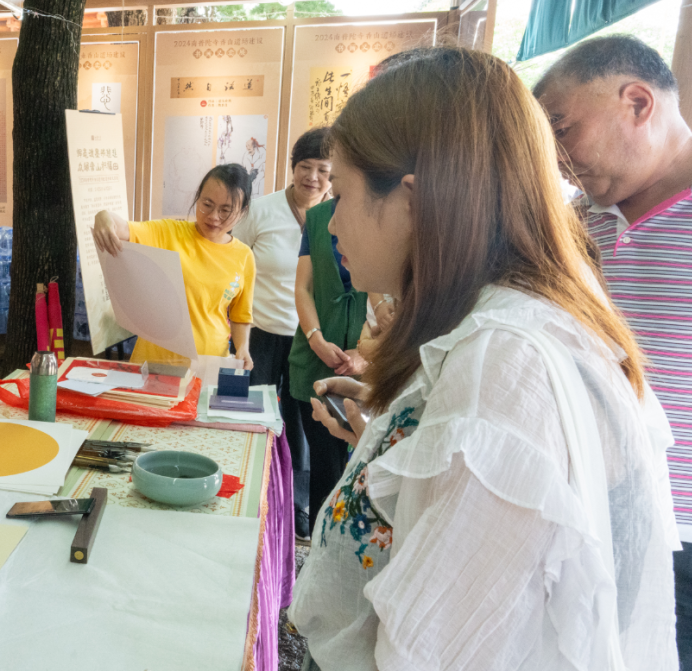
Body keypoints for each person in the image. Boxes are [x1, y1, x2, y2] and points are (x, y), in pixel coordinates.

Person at [289, 47, 679, 670]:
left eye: (344, 189)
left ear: (413, 201)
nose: (329, 221)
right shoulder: (503, 327)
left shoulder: (501, 364)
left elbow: (426, 652)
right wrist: (399, 432)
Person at [534, 35, 692, 667]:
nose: (558, 157)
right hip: (591, 520)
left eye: (563, 128)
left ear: (636, 101)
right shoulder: (576, 226)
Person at [234, 128, 332, 539]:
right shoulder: (263, 209)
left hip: (305, 338)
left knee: (300, 431)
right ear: (292, 168)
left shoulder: (337, 215)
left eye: (323, 170)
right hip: (256, 333)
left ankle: (296, 509)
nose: (312, 177)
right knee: (250, 421)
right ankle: (246, 499)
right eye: (305, 167)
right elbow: (234, 261)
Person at [93, 164, 256, 368]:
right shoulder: (169, 232)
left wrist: (242, 347)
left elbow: (241, 315)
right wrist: (103, 217)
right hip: (155, 362)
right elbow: (123, 228)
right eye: (207, 204)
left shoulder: (244, 256)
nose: (214, 216)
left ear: (242, 212)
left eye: (225, 211)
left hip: (208, 364)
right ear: (197, 198)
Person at [288, 197, 367, 536]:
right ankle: (323, 539)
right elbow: (303, 287)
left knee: (353, 462)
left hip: (366, 369)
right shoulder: (319, 217)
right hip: (313, 359)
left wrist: (365, 353)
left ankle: (335, 537)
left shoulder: (383, 214)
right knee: (326, 463)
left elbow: (388, 298)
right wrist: (316, 339)